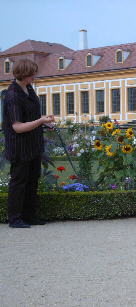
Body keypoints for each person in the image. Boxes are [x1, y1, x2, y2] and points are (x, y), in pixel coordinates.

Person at [2, 59, 55, 228]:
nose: (34, 77)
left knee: (33, 180)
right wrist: (40, 121)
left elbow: (32, 118)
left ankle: (30, 215)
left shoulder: (29, 89)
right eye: (32, 74)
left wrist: (45, 123)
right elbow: (17, 127)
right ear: (24, 74)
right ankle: (15, 218)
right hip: (19, 145)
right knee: (19, 181)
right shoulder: (13, 96)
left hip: (33, 144)